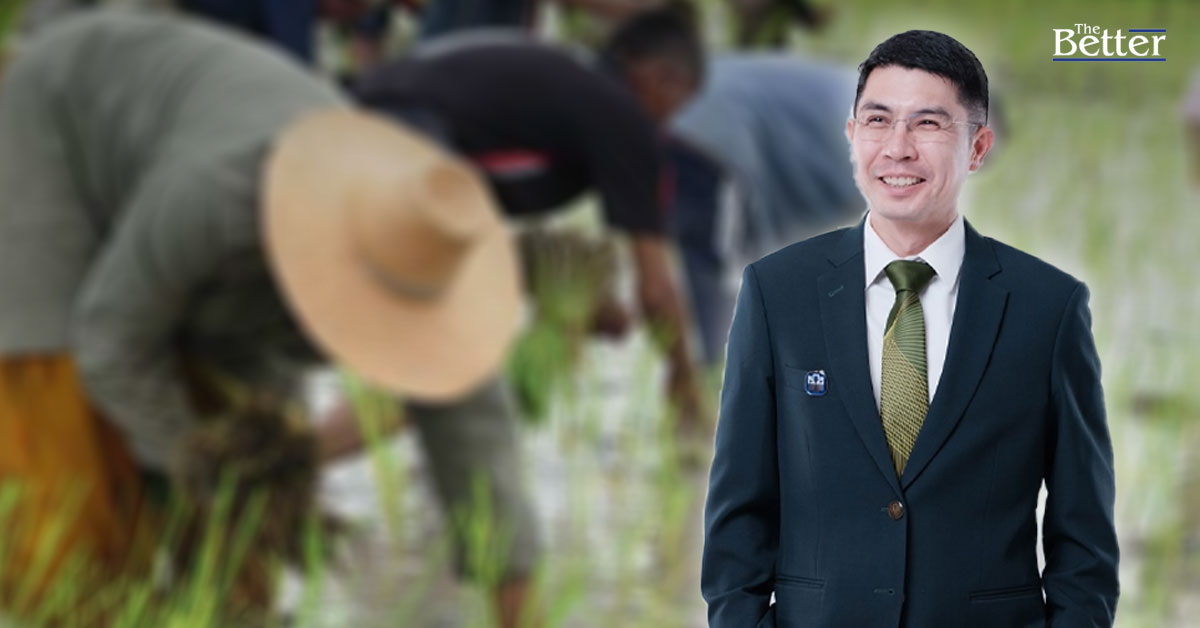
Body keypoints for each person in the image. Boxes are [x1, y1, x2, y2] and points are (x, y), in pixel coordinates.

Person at [0, 12, 539, 627]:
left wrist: (519, 613)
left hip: (210, 248)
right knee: (69, 473)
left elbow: (482, 460)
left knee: (248, 514)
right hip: (59, 129)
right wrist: (201, 468)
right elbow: (111, 344)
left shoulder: (427, 249)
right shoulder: (220, 198)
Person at [701, 30, 1119, 627]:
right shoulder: (777, 292)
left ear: (978, 147)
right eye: (878, 120)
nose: (897, 149)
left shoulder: (1048, 307)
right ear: (852, 135)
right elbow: (738, 515)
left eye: (928, 124)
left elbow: (1085, 539)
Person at [355, 2, 708, 428]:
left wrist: (568, 285)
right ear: (658, 78)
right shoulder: (622, 116)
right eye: (680, 103)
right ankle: (310, 450)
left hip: (350, 123)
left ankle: (307, 446)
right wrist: (684, 384)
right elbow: (656, 290)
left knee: (567, 277)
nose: (673, 123)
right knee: (457, 377)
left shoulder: (573, 81)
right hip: (405, 150)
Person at [667, 52, 862, 363]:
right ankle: (707, 367)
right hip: (707, 132)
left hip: (702, 121)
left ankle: (709, 365)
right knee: (706, 261)